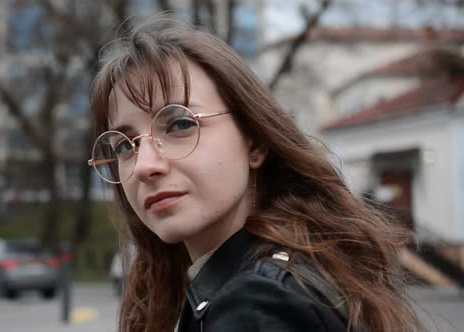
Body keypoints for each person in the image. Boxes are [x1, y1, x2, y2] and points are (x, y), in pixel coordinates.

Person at [88, 14, 421, 332]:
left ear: (255, 142)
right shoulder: (278, 277)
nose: (145, 165)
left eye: (180, 124)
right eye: (124, 146)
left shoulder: (258, 305)